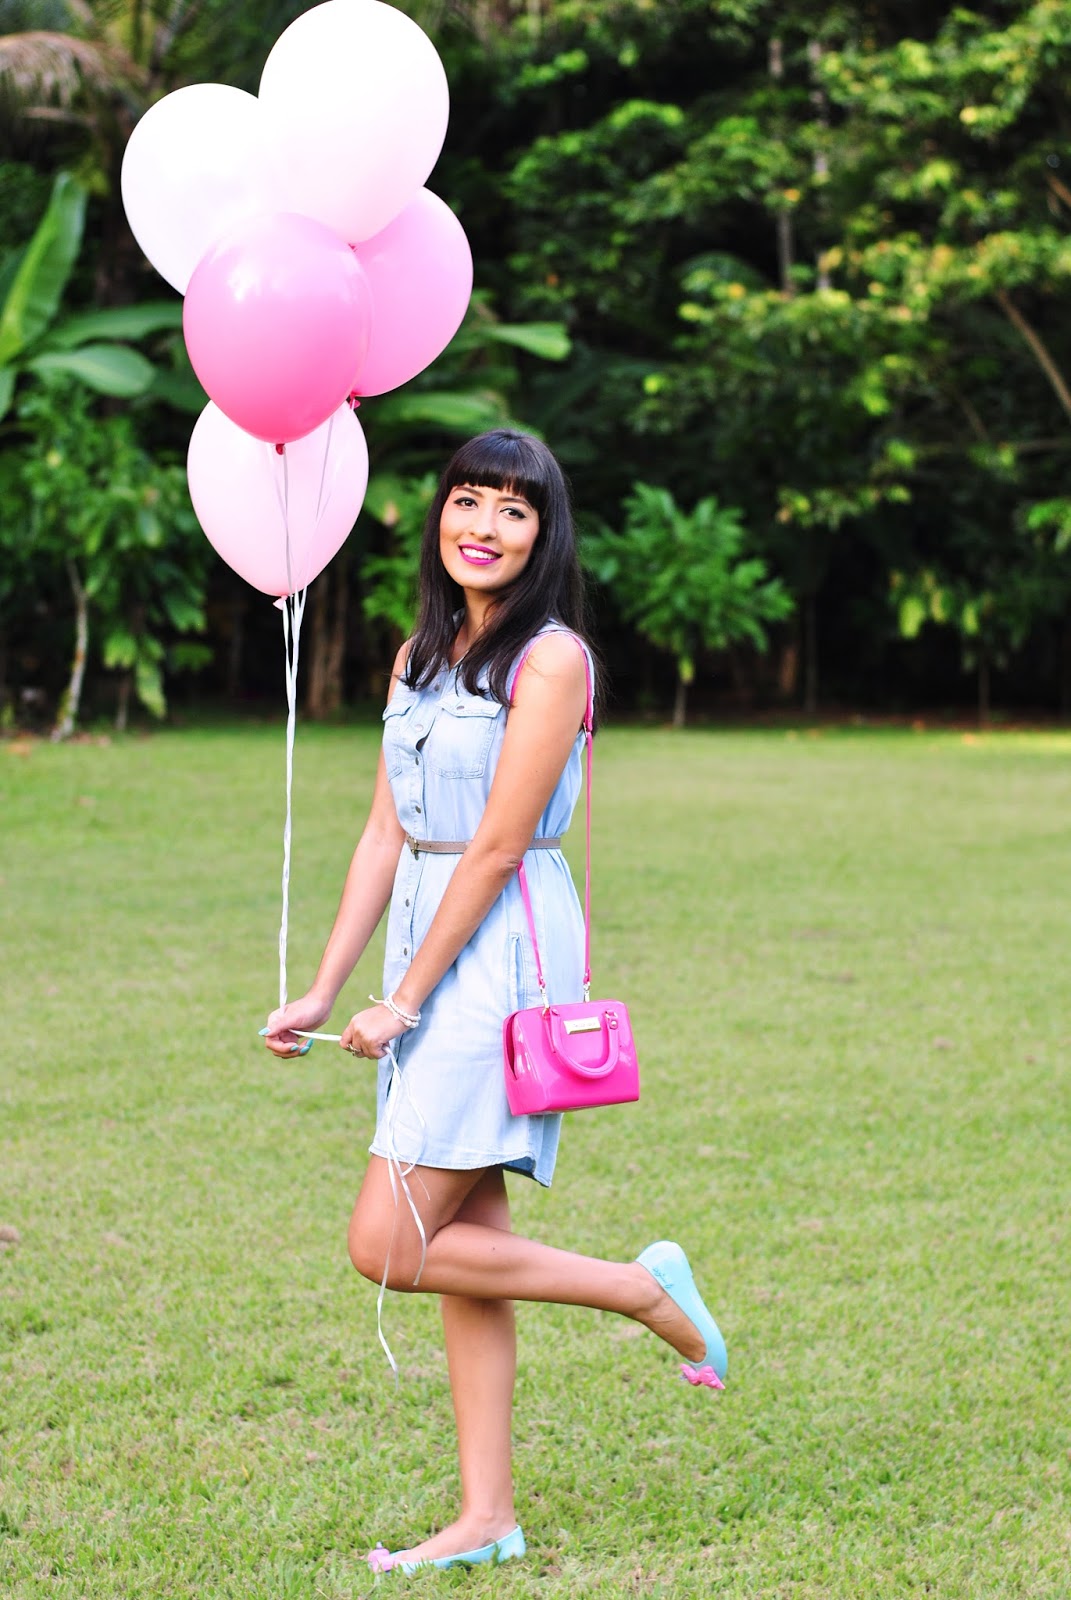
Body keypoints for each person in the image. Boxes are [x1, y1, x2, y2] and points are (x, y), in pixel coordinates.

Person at [263, 430, 727, 1576]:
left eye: (514, 510)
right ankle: (488, 1516)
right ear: (441, 515)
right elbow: (387, 832)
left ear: (543, 534)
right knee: (466, 1239)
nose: (484, 525)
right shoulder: (418, 654)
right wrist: (325, 984)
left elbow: (499, 844)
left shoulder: (552, 660)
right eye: (468, 500)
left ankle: (642, 1289)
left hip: (499, 951)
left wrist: (404, 1000)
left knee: (390, 1240)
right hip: (427, 930)